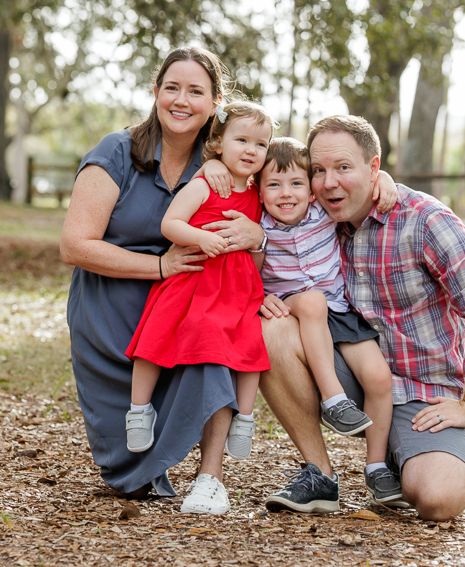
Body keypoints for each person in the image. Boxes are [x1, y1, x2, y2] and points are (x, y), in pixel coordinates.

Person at [259, 116, 465, 520]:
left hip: (421, 394)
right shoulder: (315, 215)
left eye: (343, 167)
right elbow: (255, 174)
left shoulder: (426, 221)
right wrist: (263, 296)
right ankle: (320, 473)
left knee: (438, 498)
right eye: (319, 171)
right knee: (271, 330)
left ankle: (398, 458)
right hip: (350, 378)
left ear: (373, 169)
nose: (328, 183)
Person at [60, 46, 266, 516]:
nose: (181, 100)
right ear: (155, 93)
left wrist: (257, 238)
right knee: (130, 479)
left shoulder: (224, 161)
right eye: (171, 88)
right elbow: (74, 246)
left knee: (214, 343)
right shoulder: (117, 151)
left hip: (191, 302)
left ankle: (210, 477)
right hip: (111, 310)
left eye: (196, 91)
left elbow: (293, 186)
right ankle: (143, 438)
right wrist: (158, 267)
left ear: (215, 102)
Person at [125, 101, 276, 474]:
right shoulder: (206, 183)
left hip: (236, 287)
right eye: (241, 140)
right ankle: (139, 409)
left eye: (260, 144)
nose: (251, 150)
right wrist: (198, 238)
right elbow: (170, 223)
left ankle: (244, 417)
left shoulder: (260, 192)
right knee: (155, 339)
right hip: (194, 278)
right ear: (218, 143)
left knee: (249, 346)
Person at [255, 138, 406, 510]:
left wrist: (384, 177)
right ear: (257, 192)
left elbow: (357, 187)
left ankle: (376, 466)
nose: (286, 194)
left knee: (378, 378)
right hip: (293, 308)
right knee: (310, 301)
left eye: (296, 184)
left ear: (310, 191)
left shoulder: (322, 211)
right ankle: (333, 398)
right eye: (273, 185)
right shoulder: (256, 226)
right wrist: (255, 296)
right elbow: (242, 270)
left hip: (340, 311)